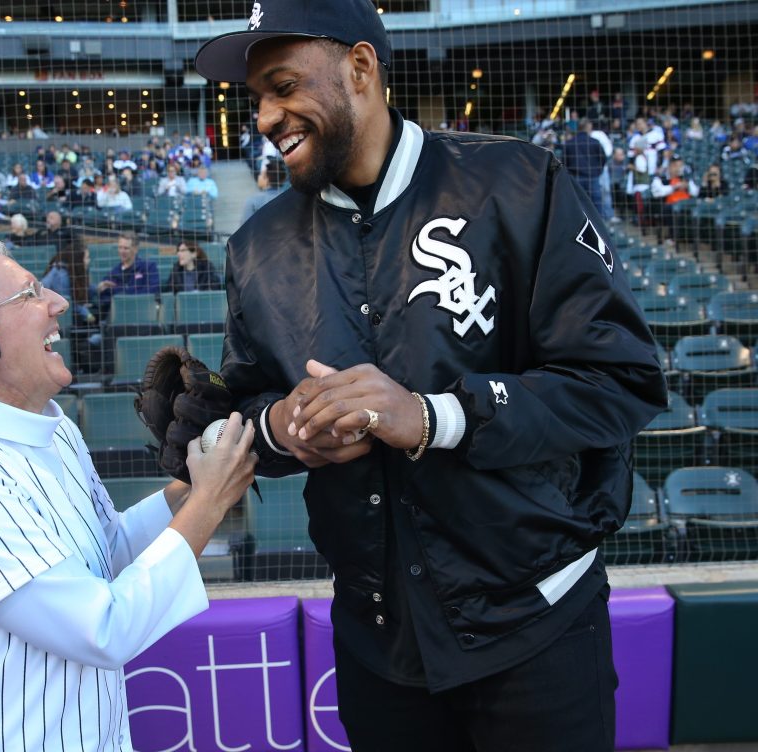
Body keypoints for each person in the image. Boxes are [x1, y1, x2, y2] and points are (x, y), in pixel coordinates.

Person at [194, 1, 668, 750]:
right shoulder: (255, 246)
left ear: (360, 68)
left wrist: (434, 416)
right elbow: (248, 404)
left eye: (283, 87)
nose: (264, 117)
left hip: (535, 625)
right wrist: (283, 429)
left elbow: (620, 380)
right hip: (378, 643)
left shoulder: (518, 182)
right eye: (255, 98)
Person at [0, 238, 257, 750]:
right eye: (30, 293)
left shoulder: (56, 432)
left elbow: (107, 554)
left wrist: (193, 485)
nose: (58, 302)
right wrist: (209, 501)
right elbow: (103, 628)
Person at [96, 231, 159, 318]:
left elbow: (152, 291)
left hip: (144, 315)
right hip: (120, 317)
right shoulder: (113, 273)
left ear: (135, 249)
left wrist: (121, 293)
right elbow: (105, 299)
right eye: (120, 247)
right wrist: (100, 290)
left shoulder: (149, 267)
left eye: (126, 248)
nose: (122, 251)